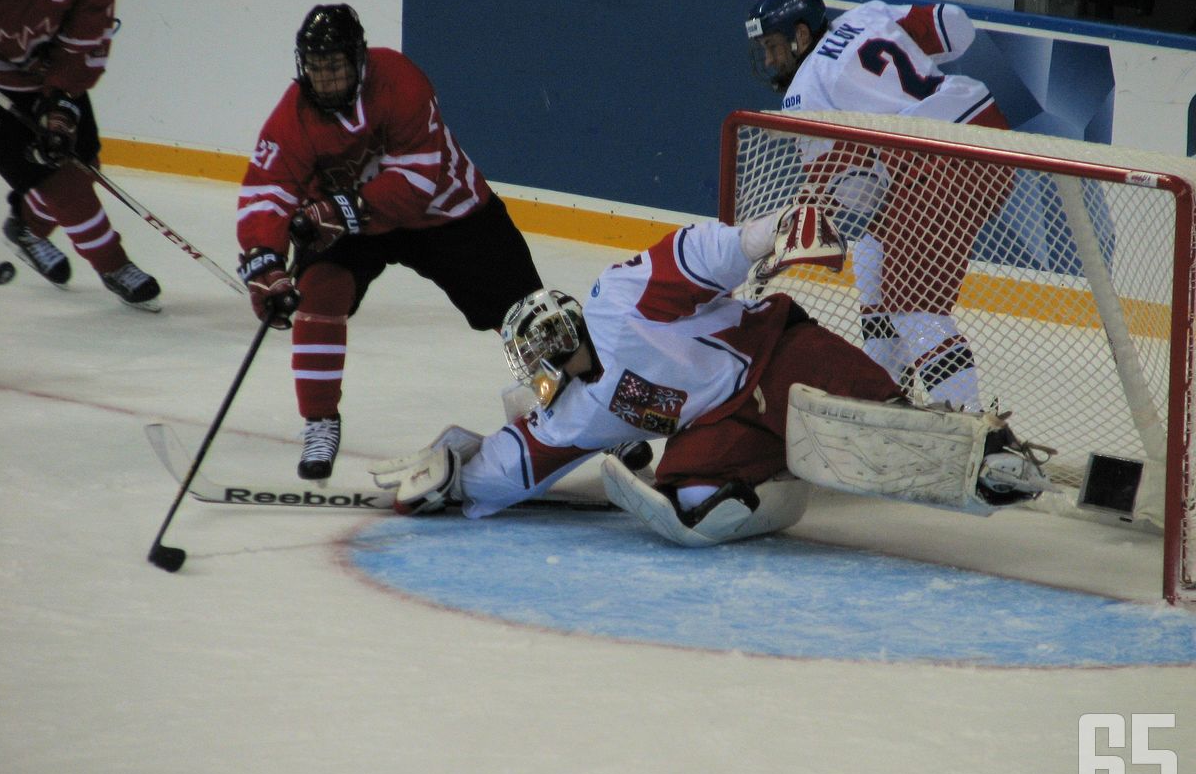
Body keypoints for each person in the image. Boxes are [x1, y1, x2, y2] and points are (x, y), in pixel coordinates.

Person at [370, 206, 1052, 547]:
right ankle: (781, 477)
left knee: (885, 425)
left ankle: (988, 455)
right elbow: (517, 464)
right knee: (690, 498)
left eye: (540, 353)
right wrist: (458, 473)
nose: (540, 368)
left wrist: (770, 233)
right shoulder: (571, 415)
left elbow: (696, 255)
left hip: (775, 354)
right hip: (720, 422)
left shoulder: (619, 303)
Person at [237, 4, 543, 480]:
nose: (325, 79)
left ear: (358, 61)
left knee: (524, 309)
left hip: (446, 211)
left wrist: (334, 211)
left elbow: (415, 186)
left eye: (335, 66)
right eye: (316, 69)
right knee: (319, 293)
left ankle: (584, 407)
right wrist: (266, 265)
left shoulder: (400, 82)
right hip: (348, 223)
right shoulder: (293, 117)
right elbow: (266, 191)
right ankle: (319, 420)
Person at [743, 0, 1013, 411]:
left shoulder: (805, 92)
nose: (771, 59)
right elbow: (956, 26)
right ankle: (887, 398)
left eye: (774, 46)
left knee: (913, 307)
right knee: (875, 247)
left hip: (936, 163)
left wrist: (802, 217)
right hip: (986, 131)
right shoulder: (866, 15)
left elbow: (855, 191)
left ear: (801, 35)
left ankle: (974, 429)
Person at [0, 0, 161, 310]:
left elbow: (81, 49)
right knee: (64, 185)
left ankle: (26, 226)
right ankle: (113, 265)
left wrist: (59, 108)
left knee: (81, 165)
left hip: (41, 79)